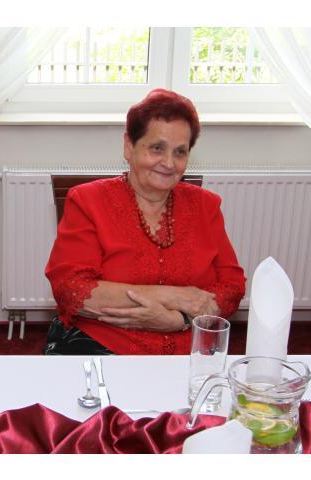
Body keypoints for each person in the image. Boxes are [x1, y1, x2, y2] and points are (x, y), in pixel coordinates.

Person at [44, 88, 246, 355]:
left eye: (180, 152)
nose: (169, 163)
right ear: (129, 147)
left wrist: (178, 320)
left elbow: (232, 286)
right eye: (157, 148)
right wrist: (175, 296)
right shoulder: (87, 201)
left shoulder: (206, 206)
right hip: (104, 342)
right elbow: (72, 289)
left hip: (188, 347)